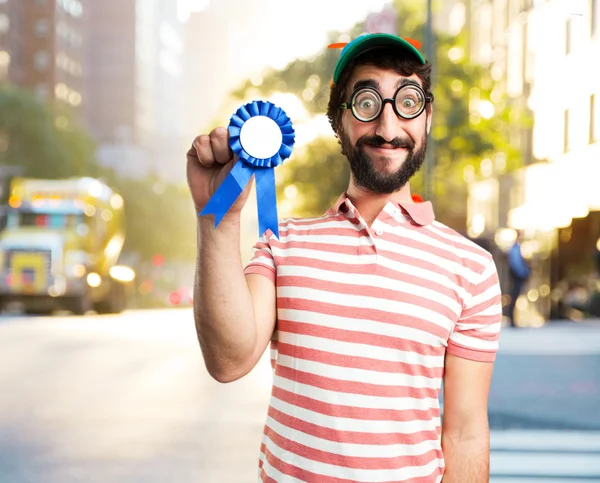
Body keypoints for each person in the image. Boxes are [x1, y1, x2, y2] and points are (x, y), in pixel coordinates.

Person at [187, 33, 502, 483]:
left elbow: (466, 434)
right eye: (367, 103)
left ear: (427, 118)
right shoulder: (283, 243)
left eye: (407, 101)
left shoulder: (471, 268)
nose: (389, 128)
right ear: (339, 119)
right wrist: (216, 217)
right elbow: (227, 361)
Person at [506, 232, 531, 327]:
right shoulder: (515, 249)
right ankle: (511, 319)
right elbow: (516, 264)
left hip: (517, 275)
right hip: (517, 276)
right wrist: (524, 273)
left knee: (514, 297)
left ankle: (512, 319)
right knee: (514, 296)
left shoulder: (516, 248)